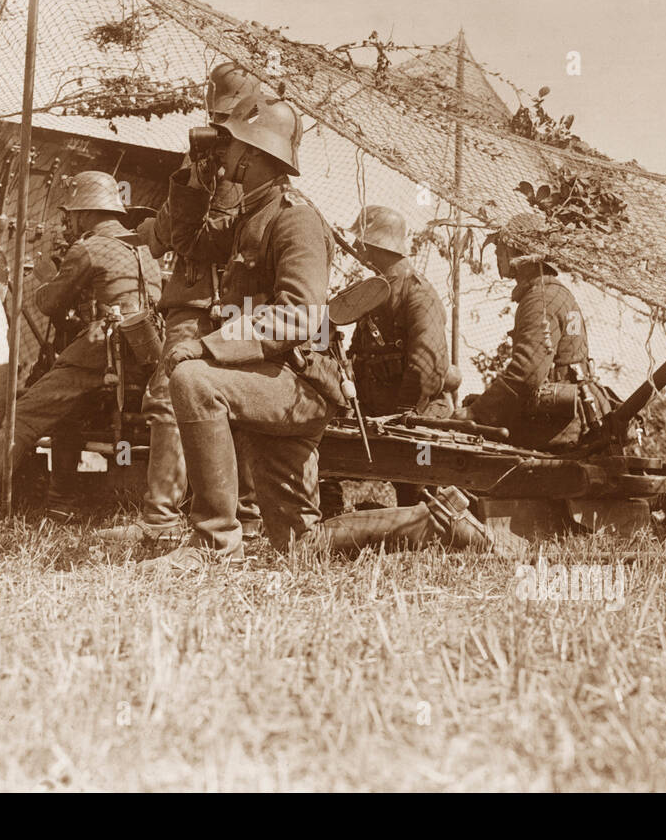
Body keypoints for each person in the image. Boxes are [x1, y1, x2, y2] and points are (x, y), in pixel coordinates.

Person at [153, 83, 347, 565]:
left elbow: (299, 315)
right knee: (300, 544)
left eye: (232, 142)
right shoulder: (252, 212)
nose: (223, 149)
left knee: (194, 380)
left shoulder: (293, 217)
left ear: (253, 152)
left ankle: (214, 542)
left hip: (301, 383)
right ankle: (436, 522)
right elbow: (192, 245)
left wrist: (208, 348)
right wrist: (193, 181)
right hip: (274, 381)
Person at [91, 64, 266, 547]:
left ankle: (245, 518)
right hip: (192, 304)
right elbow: (167, 238)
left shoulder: (259, 170)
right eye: (216, 118)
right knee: (168, 395)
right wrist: (191, 179)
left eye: (228, 119)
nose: (220, 131)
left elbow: (222, 241)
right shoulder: (197, 171)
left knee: (243, 402)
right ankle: (162, 520)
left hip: (239, 305)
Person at [0, 170, 161, 519]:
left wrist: (46, 276)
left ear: (85, 214)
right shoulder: (146, 251)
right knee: (67, 410)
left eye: (73, 216)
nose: (71, 223)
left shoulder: (88, 248)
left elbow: (49, 305)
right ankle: (61, 502)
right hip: (145, 353)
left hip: (102, 352)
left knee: (26, 416)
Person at [321, 204, 455, 513]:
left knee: (421, 501)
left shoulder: (417, 294)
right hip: (378, 418)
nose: (357, 249)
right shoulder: (374, 292)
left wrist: (399, 417)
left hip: (415, 420)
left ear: (376, 243)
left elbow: (427, 367)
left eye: (362, 241)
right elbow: (358, 356)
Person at [458, 212, 607, 448]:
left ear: (516, 252)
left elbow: (527, 373)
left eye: (501, 248)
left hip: (555, 428)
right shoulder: (556, 293)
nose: (497, 255)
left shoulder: (541, 299)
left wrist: (477, 412)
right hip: (568, 418)